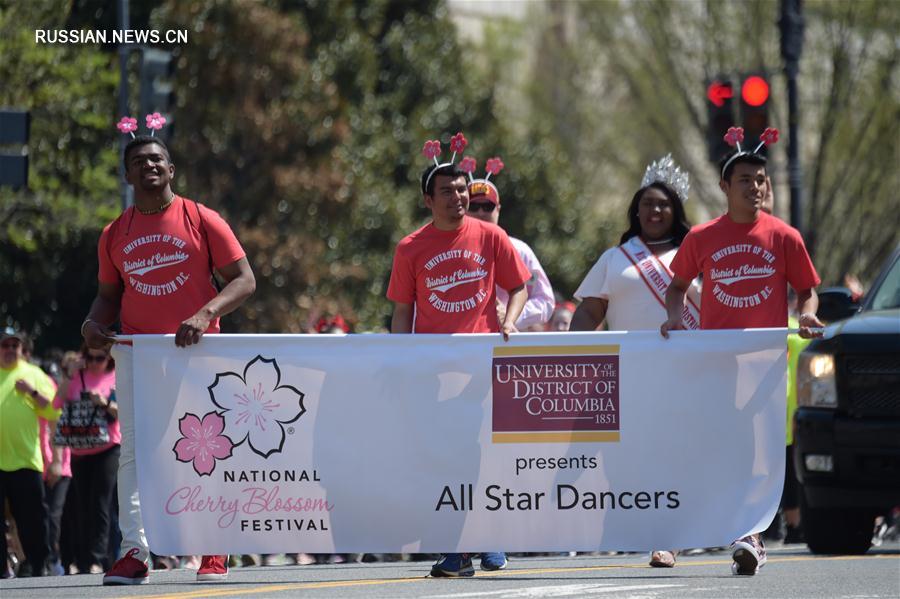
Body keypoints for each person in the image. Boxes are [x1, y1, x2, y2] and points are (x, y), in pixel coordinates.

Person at [82, 124, 256, 585]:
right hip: (140, 353)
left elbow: (244, 279)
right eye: (139, 162)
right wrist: (91, 323)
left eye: (157, 159)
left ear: (171, 168)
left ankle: (213, 549)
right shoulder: (115, 233)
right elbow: (107, 296)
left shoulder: (201, 218)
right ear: (127, 175)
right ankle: (135, 551)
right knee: (136, 454)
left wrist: (204, 314)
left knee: (207, 449)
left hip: (200, 352)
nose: (149, 166)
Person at [660, 128, 824, 576]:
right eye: (746, 180)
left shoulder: (784, 236)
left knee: (758, 452)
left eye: (760, 180)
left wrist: (806, 315)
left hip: (767, 365)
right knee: (714, 449)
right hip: (715, 363)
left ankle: (751, 535)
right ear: (725, 188)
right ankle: (684, 533)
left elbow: (808, 292)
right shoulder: (702, 237)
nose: (755, 188)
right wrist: (676, 318)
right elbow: (676, 289)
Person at [388, 136, 530, 577]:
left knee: (484, 455)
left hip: (485, 370)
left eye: (463, 189)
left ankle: (489, 540)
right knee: (443, 458)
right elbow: (402, 312)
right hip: (433, 371)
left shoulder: (492, 236)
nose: (458, 197)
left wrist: (509, 322)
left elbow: (519, 287)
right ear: (428, 200)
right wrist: (402, 364)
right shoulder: (410, 248)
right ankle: (456, 549)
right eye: (447, 191)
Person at [571, 155, 699, 568]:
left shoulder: (694, 253)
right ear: (636, 210)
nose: (655, 211)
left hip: (682, 373)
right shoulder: (616, 257)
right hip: (625, 376)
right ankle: (636, 524)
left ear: (675, 211)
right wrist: (574, 352)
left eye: (663, 204)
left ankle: (669, 537)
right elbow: (591, 312)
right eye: (647, 204)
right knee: (628, 455)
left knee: (673, 452)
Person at [462, 160, 555, 330]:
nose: (481, 212)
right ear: (463, 210)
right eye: (473, 206)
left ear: (498, 209)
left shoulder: (519, 251)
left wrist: (511, 316)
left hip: (506, 343)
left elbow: (545, 301)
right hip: (463, 342)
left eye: (487, 206)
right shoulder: (451, 250)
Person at [54, 344, 120, 573]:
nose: (93, 363)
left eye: (99, 358)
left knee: (101, 502)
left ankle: (97, 558)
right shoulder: (75, 377)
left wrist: (103, 403)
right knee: (82, 506)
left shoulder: (115, 375)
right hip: (79, 448)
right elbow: (56, 404)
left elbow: (126, 411)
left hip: (109, 445)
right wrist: (69, 374)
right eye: (89, 358)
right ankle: (82, 559)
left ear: (108, 358)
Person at [0, 326, 59, 578]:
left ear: (22, 350)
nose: (10, 350)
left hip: (26, 459)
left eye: (15, 345)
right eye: (5, 345)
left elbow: (54, 410)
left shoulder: (34, 374)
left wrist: (32, 392)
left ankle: (38, 564)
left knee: (32, 519)